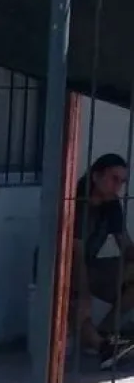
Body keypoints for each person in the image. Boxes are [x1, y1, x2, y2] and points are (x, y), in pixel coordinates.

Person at [71, 153, 134, 368]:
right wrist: (84, 291)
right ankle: (100, 346)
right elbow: (75, 254)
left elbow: (125, 245)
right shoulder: (78, 201)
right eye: (114, 179)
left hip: (90, 265)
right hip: (58, 267)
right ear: (96, 176)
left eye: (122, 182)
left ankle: (106, 334)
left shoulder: (111, 204)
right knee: (79, 299)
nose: (118, 187)